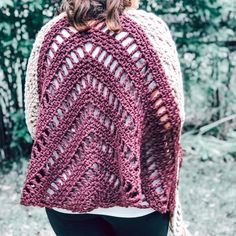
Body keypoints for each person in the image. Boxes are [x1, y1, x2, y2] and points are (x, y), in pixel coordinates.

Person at [20, 0, 192, 235]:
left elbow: (35, 119)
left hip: (65, 193)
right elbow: (171, 118)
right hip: (136, 194)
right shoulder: (148, 30)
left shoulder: (50, 35)